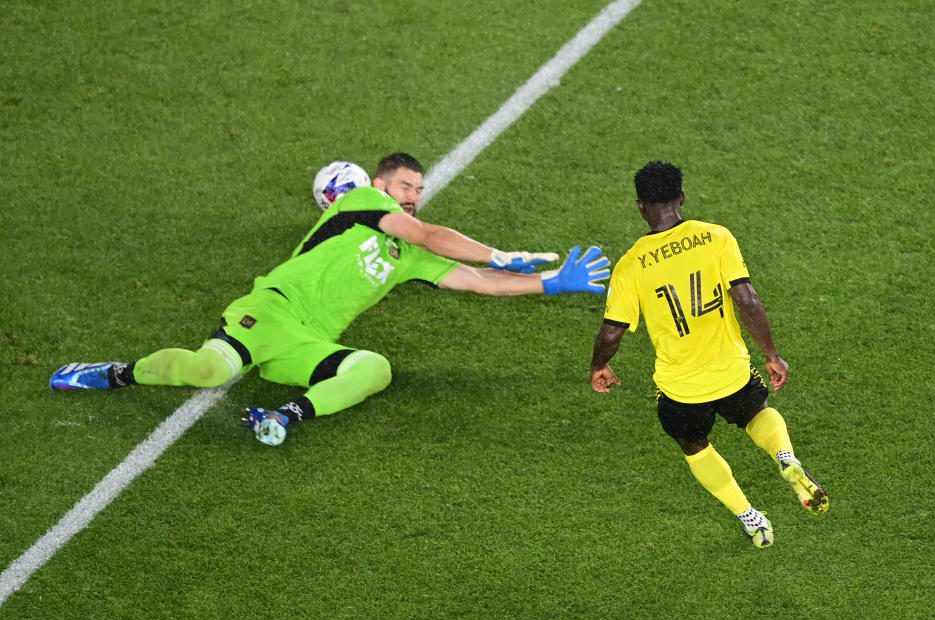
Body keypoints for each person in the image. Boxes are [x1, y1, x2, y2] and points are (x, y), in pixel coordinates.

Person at [51, 152, 611, 447]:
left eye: (420, 189)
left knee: (375, 367)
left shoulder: (407, 258)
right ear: (381, 184)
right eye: (407, 187)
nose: (414, 197)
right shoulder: (359, 203)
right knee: (204, 370)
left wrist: (551, 282)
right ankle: (116, 374)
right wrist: (499, 253)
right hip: (269, 312)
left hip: (308, 341)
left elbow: (475, 283)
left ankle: (284, 415)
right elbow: (433, 236)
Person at [589, 160, 828, 548]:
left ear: (640, 206)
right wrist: (771, 354)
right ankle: (785, 457)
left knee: (694, 445)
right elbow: (746, 298)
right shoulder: (716, 237)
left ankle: (751, 517)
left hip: (681, 388)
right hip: (731, 371)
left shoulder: (632, 264)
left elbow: (611, 332)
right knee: (757, 413)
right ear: (681, 197)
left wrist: (600, 365)